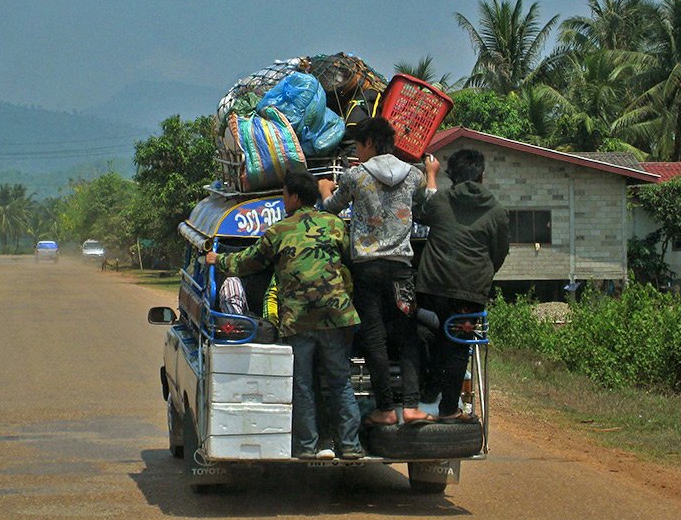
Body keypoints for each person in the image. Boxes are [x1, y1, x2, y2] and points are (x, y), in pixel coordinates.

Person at [207, 170, 364, 460]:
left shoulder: (279, 231)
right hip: (337, 316)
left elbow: (247, 262)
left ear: (292, 196)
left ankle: (306, 447)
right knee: (341, 381)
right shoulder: (335, 224)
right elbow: (351, 257)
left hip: (299, 320)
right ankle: (351, 446)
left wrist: (219, 259)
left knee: (302, 384)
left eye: (283, 194)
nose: (283, 199)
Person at [318, 117, 433, 426]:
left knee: (374, 336)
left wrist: (324, 188)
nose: (357, 152)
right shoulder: (414, 175)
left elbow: (331, 206)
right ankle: (410, 407)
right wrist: (431, 176)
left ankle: (384, 409)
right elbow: (425, 205)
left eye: (358, 145)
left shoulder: (355, 176)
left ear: (369, 143)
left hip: (367, 268)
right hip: (401, 268)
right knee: (407, 335)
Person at [417, 148, 509, 423]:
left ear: (452, 176)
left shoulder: (441, 201)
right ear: (482, 175)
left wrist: (429, 177)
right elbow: (500, 252)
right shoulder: (497, 211)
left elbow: (422, 212)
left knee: (427, 333)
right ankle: (448, 409)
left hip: (432, 288)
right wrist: (483, 274)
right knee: (459, 345)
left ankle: (428, 390)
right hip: (471, 290)